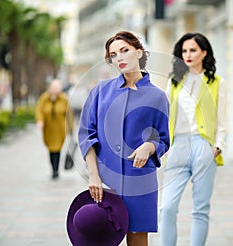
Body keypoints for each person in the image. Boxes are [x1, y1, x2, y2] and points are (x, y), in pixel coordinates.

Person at [78, 30, 170, 246]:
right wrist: (94, 175)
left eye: (124, 50)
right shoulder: (100, 91)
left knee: (137, 238)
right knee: (101, 236)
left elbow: (164, 140)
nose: (119, 57)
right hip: (104, 180)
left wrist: (149, 146)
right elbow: (86, 134)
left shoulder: (158, 97)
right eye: (113, 54)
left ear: (139, 52)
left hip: (140, 180)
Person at [159, 32, 227, 246]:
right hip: (178, 146)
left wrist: (216, 147)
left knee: (200, 209)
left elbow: (223, 119)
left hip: (203, 146)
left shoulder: (217, 82)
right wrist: (165, 145)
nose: (187, 55)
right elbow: (165, 114)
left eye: (193, 50)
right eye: (184, 51)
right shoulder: (174, 82)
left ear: (204, 53)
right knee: (167, 207)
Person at [36, 79, 73, 179]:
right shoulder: (44, 98)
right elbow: (39, 110)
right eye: (54, 88)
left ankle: (55, 170)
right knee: (51, 149)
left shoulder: (64, 99)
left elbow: (69, 114)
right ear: (50, 88)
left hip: (60, 129)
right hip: (48, 129)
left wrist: (71, 129)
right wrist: (40, 121)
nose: (56, 90)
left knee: (57, 149)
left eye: (58, 88)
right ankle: (53, 168)